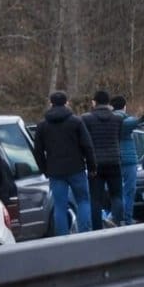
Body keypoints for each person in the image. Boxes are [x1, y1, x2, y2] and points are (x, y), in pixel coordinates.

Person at [33, 91, 96, 236]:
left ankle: (63, 238)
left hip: (55, 171)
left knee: (60, 206)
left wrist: (45, 169)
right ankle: (84, 233)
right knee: (83, 201)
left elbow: (38, 151)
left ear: (51, 104)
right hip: (77, 169)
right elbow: (87, 146)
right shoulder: (76, 122)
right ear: (66, 103)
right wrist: (92, 166)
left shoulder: (43, 126)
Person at [81, 90, 124, 231]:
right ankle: (116, 221)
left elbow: (85, 142)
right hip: (114, 161)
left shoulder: (86, 119)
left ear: (94, 102)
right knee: (116, 195)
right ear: (108, 103)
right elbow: (118, 138)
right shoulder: (117, 119)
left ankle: (97, 228)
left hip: (95, 164)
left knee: (95, 199)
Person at [110, 95, 144, 226]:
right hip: (129, 160)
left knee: (116, 191)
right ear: (124, 107)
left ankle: (113, 216)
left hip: (113, 159)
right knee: (129, 191)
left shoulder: (108, 120)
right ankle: (126, 218)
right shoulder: (126, 119)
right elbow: (134, 122)